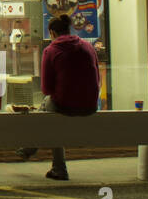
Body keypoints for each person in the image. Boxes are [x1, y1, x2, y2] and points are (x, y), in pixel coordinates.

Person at [16, 13, 100, 179]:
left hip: (65, 106)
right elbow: (98, 77)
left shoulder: (51, 50)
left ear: (52, 33)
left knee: (48, 111)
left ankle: (33, 150)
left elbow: (46, 88)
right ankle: (34, 152)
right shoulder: (88, 47)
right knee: (49, 112)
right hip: (90, 104)